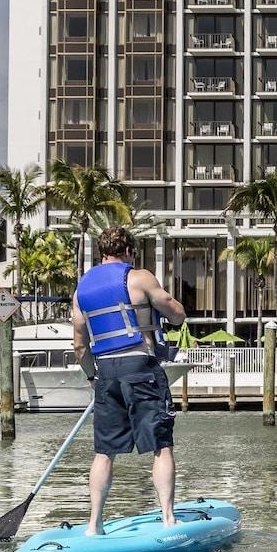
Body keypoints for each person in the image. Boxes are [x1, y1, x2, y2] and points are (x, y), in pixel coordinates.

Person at [71, 225, 186, 533]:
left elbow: (79, 345)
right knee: (161, 445)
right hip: (141, 367)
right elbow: (176, 313)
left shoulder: (81, 290)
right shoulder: (139, 277)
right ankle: (168, 518)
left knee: (104, 451)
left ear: (101, 252)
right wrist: (169, 311)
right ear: (129, 251)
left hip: (105, 372)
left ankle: (94, 524)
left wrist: (92, 377)